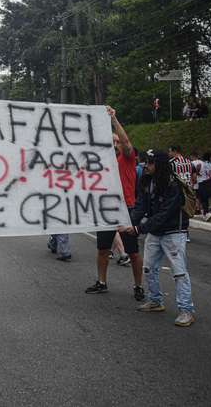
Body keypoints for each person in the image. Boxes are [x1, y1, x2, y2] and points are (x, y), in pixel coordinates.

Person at [123, 150, 195, 327]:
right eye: (146, 161)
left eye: (150, 162)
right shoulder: (147, 181)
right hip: (155, 232)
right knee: (148, 268)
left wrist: (138, 228)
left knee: (179, 272)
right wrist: (128, 224)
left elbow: (164, 214)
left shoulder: (173, 186)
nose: (146, 165)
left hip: (174, 232)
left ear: (160, 164)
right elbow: (140, 206)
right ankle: (155, 301)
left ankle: (187, 310)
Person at [85, 107, 144, 301]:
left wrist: (114, 120)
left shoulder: (127, 158)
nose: (115, 144)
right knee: (102, 249)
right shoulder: (102, 162)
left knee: (133, 252)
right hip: (106, 209)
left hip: (126, 209)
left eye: (117, 141)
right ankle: (101, 282)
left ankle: (138, 286)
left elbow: (126, 143)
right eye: (112, 141)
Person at [197, 152, 211, 217]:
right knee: (206, 198)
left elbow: (197, 171)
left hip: (202, 182)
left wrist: (199, 174)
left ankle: (205, 213)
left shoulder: (200, 164)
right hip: (210, 182)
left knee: (203, 199)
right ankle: (206, 212)